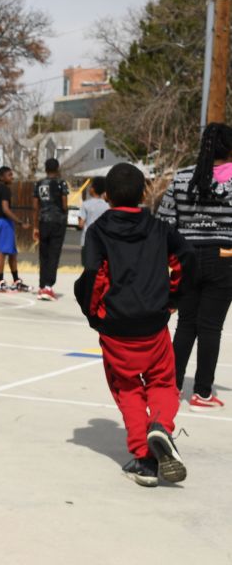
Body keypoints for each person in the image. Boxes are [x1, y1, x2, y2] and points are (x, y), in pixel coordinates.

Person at [74, 162, 193, 487]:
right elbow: (186, 259)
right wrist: (172, 299)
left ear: (108, 196)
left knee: (127, 388)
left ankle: (144, 459)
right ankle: (160, 425)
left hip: (115, 327)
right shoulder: (159, 228)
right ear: (143, 193)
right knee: (164, 383)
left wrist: (94, 315)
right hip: (153, 325)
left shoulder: (98, 231)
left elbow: (93, 276)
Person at [156, 122, 232, 411]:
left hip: (186, 257)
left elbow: (165, 222)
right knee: (211, 327)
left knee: (186, 325)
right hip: (223, 258)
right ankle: (202, 392)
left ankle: (172, 386)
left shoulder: (182, 177)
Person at [0, 166, 31, 292]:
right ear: (1, 177)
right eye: (9, 175)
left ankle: (16, 280)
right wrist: (20, 222)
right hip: (3, 221)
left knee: (12, 252)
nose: (12, 177)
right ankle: (0, 280)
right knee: (1, 252)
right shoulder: (4, 189)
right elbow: (5, 209)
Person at [33, 158, 70, 300]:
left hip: (43, 220)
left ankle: (42, 285)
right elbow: (64, 203)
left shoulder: (39, 183)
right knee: (54, 253)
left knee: (44, 254)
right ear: (58, 168)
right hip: (57, 221)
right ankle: (49, 286)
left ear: (46, 169)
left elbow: (35, 206)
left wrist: (35, 226)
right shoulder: (61, 183)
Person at [78, 175, 109, 247]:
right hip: (102, 240)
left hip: (87, 239)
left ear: (93, 189)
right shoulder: (108, 206)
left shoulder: (85, 204)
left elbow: (81, 224)